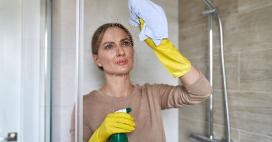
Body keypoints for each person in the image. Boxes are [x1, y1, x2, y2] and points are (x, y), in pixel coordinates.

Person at [70, 20, 212, 142]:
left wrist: (165, 49)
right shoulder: (85, 105)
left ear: (132, 50)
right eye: (109, 46)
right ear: (97, 60)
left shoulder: (152, 94)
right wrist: (99, 135)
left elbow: (201, 91)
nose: (120, 52)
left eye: (125, 43)